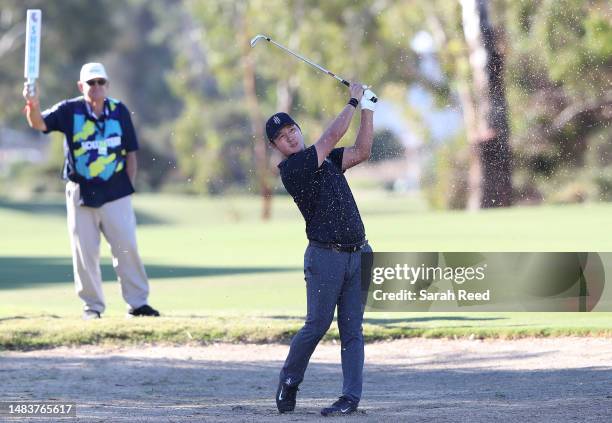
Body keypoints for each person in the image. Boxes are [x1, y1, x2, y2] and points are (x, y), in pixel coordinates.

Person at [268, 82, 376, 416]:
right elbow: (329, 138)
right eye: (282, 137)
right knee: (316, 325)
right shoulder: (293, 169)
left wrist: (369, 108)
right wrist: (354, 100)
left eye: (292, 129)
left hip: (359, 253)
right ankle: (289, 380)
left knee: (352, 331)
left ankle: (350, 398)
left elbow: (361, 151)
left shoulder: (327, 160)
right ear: (277, 146)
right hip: (325, 257)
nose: (290, 136)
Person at [22, 62, 160, 320]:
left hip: (116, 191)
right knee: (85, 252)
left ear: (107, 85)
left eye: (100, 82)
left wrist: (128, 187)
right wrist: (33, 104)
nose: (96, 87)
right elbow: (39, 124)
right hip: (81, 191)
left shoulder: (119, 110)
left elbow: (131, 152)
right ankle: (92, 307)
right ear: (81, 86)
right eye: (91, 83)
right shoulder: (69, 110)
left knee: (127, 248)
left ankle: (138, 303)